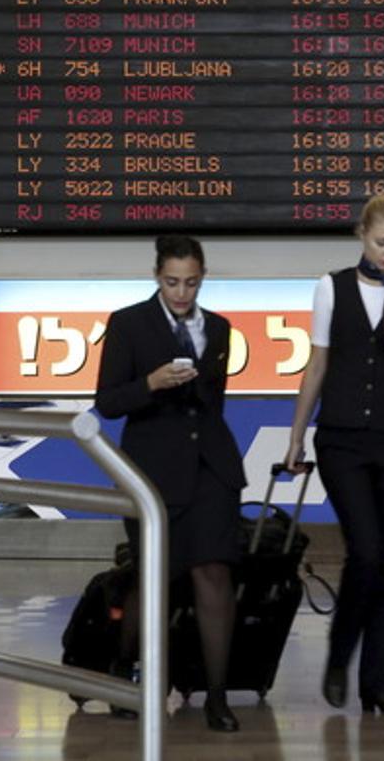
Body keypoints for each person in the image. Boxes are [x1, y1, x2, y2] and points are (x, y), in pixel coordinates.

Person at [284, 194, 384, 716]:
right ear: (361, 235)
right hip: (342, 439)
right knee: (367, 552)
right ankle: (340, 652)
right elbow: (317, 363)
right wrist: (296, 435)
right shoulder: (332, 287)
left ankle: (378, 683)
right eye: (381, 242)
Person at [94, 235, 246, 732]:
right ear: (157, 276)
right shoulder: (129, 323)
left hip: (211, 469)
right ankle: (125, 672)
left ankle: (218, 695)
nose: (182, 292)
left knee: (214, 573)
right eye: (172, 281)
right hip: (153, 470)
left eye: (191, 282)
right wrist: (151, 385)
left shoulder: (220, 329)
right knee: (151, 577)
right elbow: (109, 401)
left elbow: (214, 403)